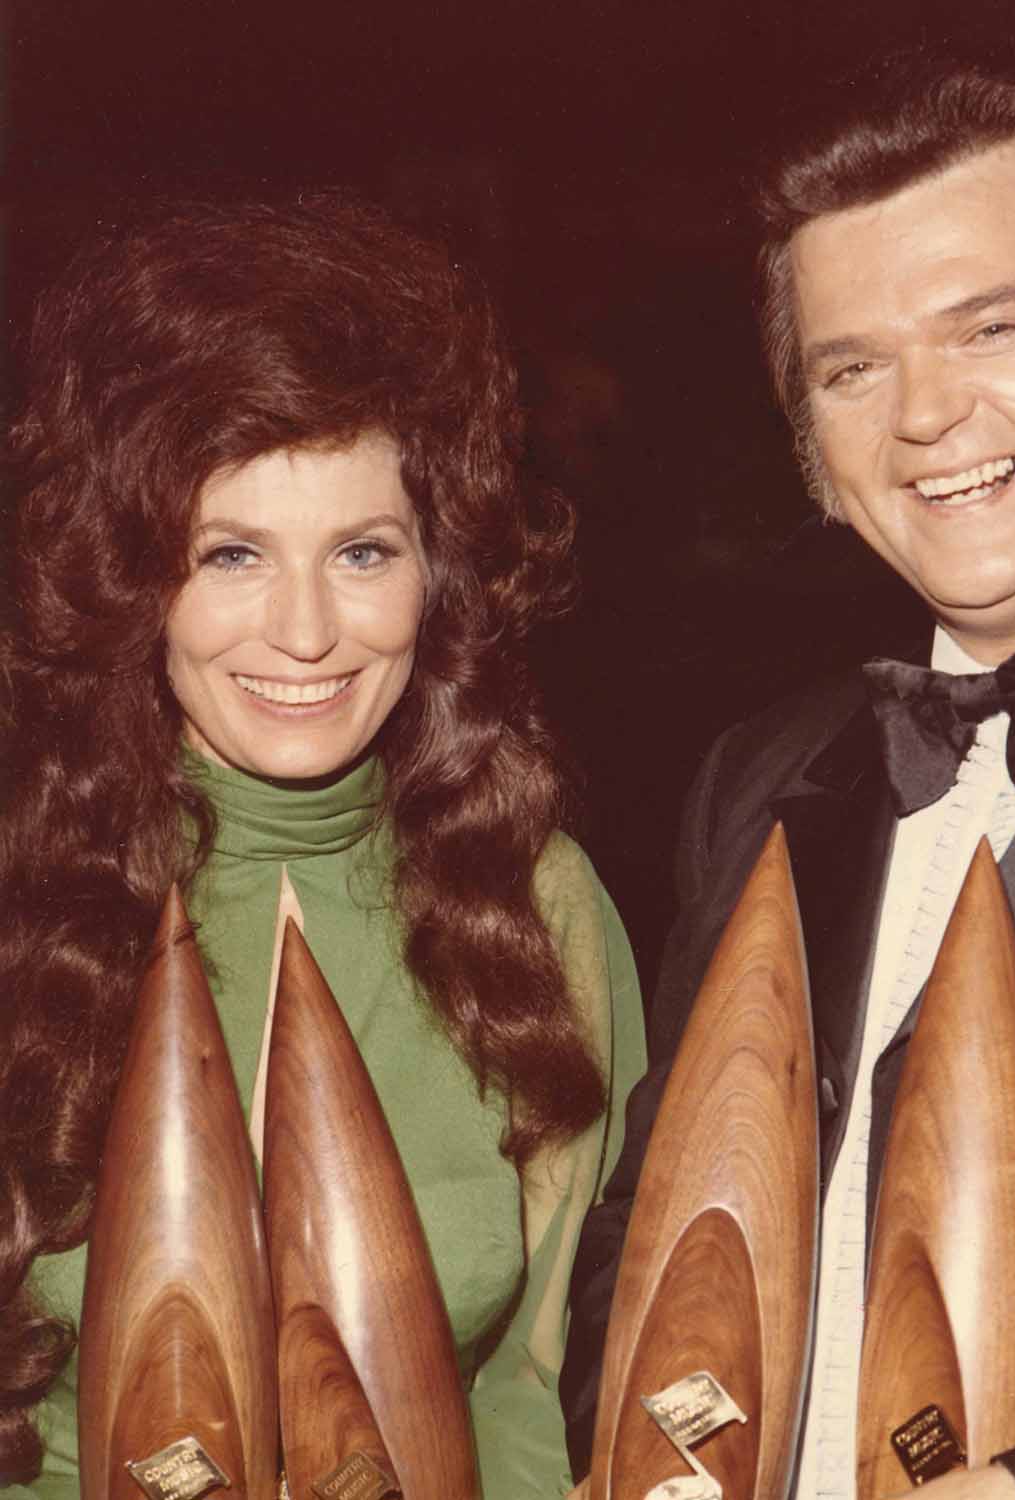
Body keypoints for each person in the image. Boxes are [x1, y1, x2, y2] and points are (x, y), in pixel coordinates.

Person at [561, 59, 1015, 1500]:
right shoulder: (755, 778)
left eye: (990, 327)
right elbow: (640, 1222)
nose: (923, 414)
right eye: (851, 367)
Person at [0, 194, 645, 1500]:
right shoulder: (23, 900)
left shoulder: (540, 907)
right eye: (230, 553)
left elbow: (540, 1394)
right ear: (133, 577)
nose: (305, 635)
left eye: (362, 552)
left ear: (439, 572)